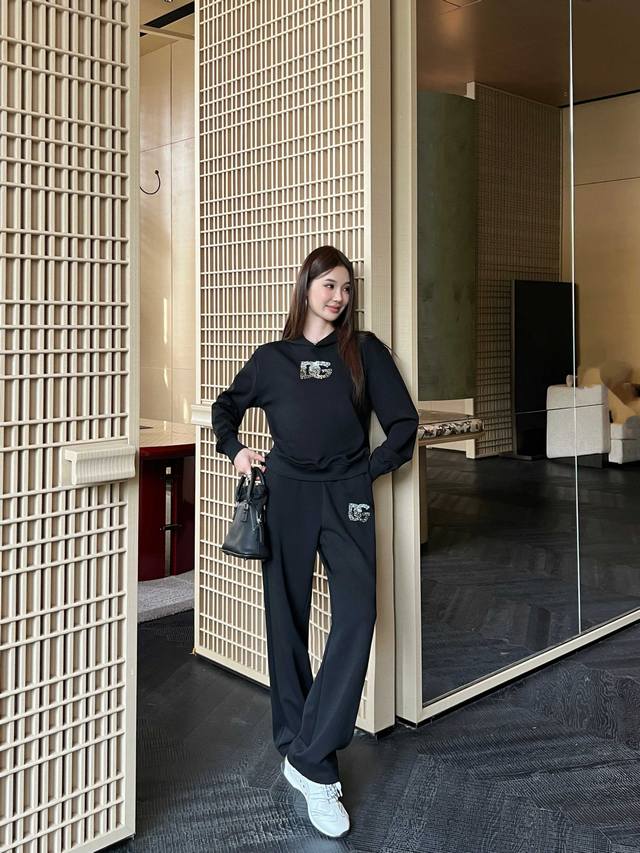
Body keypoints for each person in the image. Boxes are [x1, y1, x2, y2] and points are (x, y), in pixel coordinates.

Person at [211, 245, 419, 838]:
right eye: (329, 284)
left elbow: (403, 426)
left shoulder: (365, 351)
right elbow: (225, 411)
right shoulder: (272, 359)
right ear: (306, 287)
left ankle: (309, 754)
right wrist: (238, 451)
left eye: (347, 288)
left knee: (358, 614)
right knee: (287, 622)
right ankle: (302, 751)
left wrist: (365, 473)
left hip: (346, 495)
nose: (339, 297)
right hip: (286, 495)